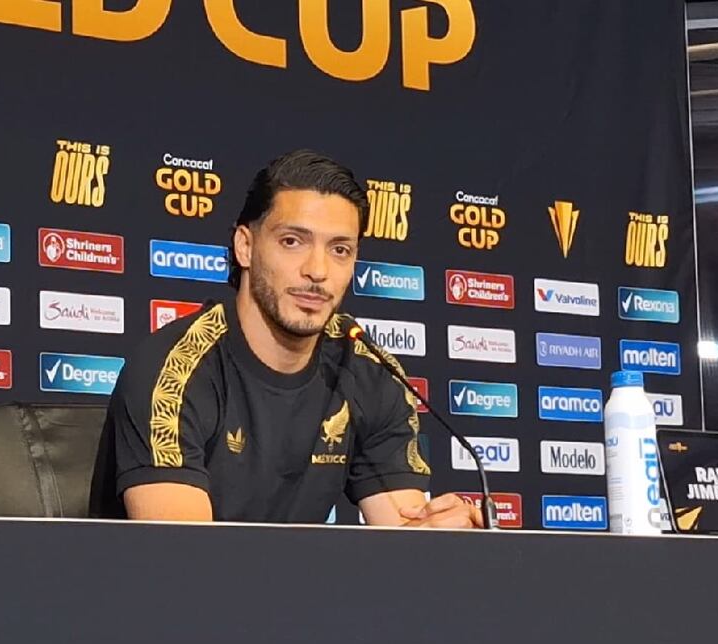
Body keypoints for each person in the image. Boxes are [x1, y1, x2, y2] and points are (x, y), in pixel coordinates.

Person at [89, 149, 482, 528]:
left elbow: (403, 537)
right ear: (245, 246)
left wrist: (445, 541)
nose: (318, 270)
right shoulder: (173, 369)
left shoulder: (368, 370)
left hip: (298, 592)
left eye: (340, 249)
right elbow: (186, 562)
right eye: (292, 241)